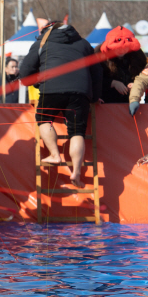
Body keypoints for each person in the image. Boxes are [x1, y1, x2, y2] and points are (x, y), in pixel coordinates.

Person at [18, 22, 102, 188]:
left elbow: (25, 73)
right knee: (77, 131)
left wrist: (37, 82)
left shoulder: (42, 43)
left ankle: (55, 154)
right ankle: (76, 171)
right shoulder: (84, 44)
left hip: (51, 88)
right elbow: (97, 72)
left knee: (44, 119)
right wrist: (94, 97)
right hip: (80, 91)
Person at [96, 26, 147, 104]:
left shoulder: (138, 57)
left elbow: (145, 77)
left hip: (129, 102)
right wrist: (112, 83)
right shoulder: (99, 56)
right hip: (106, 103)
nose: (121, 50)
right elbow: (94, 80)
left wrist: (136, 84)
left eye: (125, 47)